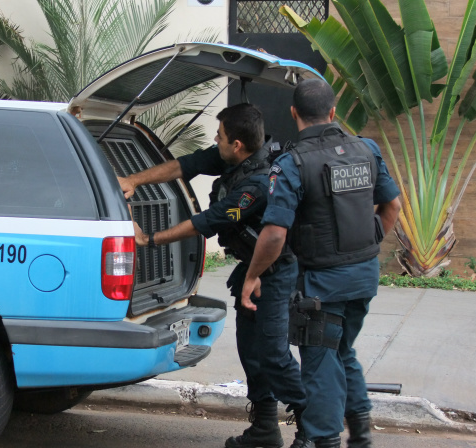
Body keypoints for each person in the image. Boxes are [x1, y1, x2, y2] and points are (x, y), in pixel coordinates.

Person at [119, 103, 311, 448]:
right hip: (251, 268)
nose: (215, 141)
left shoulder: (260, 184)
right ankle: (266, 429)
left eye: (219, 136)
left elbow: (213, 219)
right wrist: (132, 180)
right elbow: (186, 165)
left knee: (274, 354)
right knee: (251, 351)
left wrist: (147, 239)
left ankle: (313, 430)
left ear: (237, 144)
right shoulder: (235, 155)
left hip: (276, 272)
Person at [241, 79, 401, 448]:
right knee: (342, 350)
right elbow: (392, 205)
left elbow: (276, 234)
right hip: (364, 276)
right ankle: (360, 435)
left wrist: (253, 274)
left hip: (323, 285)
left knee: (321, 363)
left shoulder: (292, 164)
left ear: (294, 113)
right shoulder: (367, 148)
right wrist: (370, 241)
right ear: (332, 112)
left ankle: (322, 439)